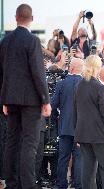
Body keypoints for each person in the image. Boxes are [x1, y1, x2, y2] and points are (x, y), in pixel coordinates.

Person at [0, 4, 51, 189]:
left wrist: (3, 99)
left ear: (15, 17)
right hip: (31, 101)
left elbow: (1, 72)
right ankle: (28, 185)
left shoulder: (5, 41)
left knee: (11, 140)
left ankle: (12, 183)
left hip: (10, 99)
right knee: (30, 143)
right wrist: (45, 99)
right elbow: (38, 72)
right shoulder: (32, 41)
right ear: (32, 18)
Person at [74, 55, 104, 189]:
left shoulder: (78, 85)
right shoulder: (100, 87)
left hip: (83, 134)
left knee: (87, 170)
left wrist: (76, 133)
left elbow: (75, 111)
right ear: (97, 68)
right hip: (101, 136)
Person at [51, 58, 84, 189]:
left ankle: (61, 185)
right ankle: (78, 185)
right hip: (81, 128)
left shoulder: (61, 83)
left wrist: (60, 113)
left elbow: (53, 104)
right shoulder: (85, 84)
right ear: (81, 68)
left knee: (63, 158)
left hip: (65, 127)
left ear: (70, 68)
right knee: (79, 158)